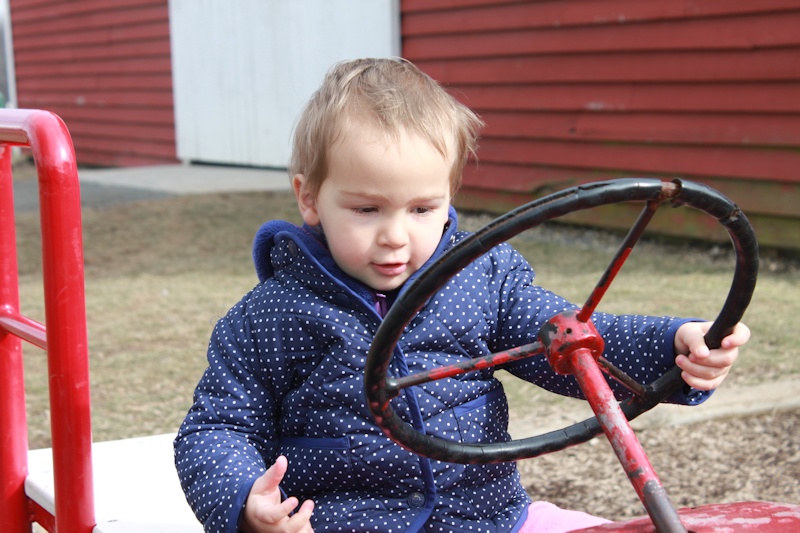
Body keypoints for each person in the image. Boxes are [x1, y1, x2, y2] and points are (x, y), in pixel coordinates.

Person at [174, 57, 749, 533]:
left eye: (422, 209)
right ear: (309, 198)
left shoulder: (481, 278)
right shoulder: (272, 315)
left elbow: (569, 337)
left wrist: (675, 344)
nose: (396, 235)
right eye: (367, 209)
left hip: (492, 518)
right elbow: (217, 426)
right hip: (347, 522)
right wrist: (246, 502)